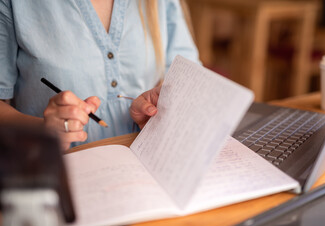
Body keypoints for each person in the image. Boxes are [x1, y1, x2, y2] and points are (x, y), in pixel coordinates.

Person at [0, 0, 200, 150]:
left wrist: (160, 105)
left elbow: (192, 80)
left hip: (146, 172)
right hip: (51, 174)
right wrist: (42, 129)